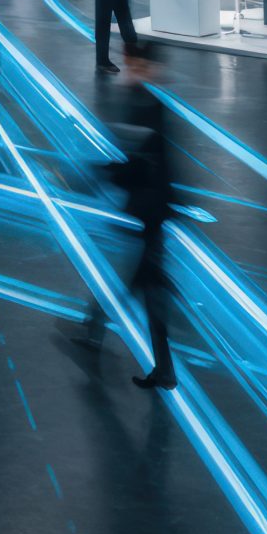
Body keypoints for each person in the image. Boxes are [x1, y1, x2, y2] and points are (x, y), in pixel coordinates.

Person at [79, 45, 177, 389]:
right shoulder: (150, 104)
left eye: (133, 65)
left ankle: (98, 326)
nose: (128, 70)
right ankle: (96, 325)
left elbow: (141, 165)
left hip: (148, 210)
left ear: (145, 67)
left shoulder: (146, 107)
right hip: (153, 209)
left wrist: (103, 173)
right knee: (144, 283)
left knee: (145, 286)